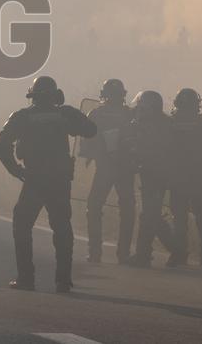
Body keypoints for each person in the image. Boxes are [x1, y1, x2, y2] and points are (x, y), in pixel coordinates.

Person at [0, 76, 97, 293]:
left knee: (22, 225)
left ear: (32, 96)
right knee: (62, 227)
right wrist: (67, 119)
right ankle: (63, 281)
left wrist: (15, 170)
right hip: (59, 180)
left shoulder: (22, 117)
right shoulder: (65, 114)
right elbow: (91, 130)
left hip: (34, 179)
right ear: (55, 95)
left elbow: (1, 144)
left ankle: (26, 278)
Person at [80, 78, 136, 264]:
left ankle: (95, 252)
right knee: (127, 210)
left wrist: (92, 156)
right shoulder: (130, 114)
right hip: (125, 170)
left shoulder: (96, 114)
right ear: (122, 95)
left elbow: (86, 141)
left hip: (104, 169)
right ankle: (123, 254)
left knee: (94, 207)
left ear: (104, 95)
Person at [168, 88, 202, 266]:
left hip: (178, 177)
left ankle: (179, 255)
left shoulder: (170, 123)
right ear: (197, 104)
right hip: (200, 178)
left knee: (179, 218)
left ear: (177, 103)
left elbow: (162, 148)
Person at [128, 90, 176, 268]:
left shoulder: (155, 125)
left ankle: (173, 251)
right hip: (153, 174)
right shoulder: (161, 122)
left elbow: (152, 151)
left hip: (156, 175)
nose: (139, 108)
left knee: (150, 215)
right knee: (149, 214)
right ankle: (145, 253)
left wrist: (137, 158)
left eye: (142, 105)